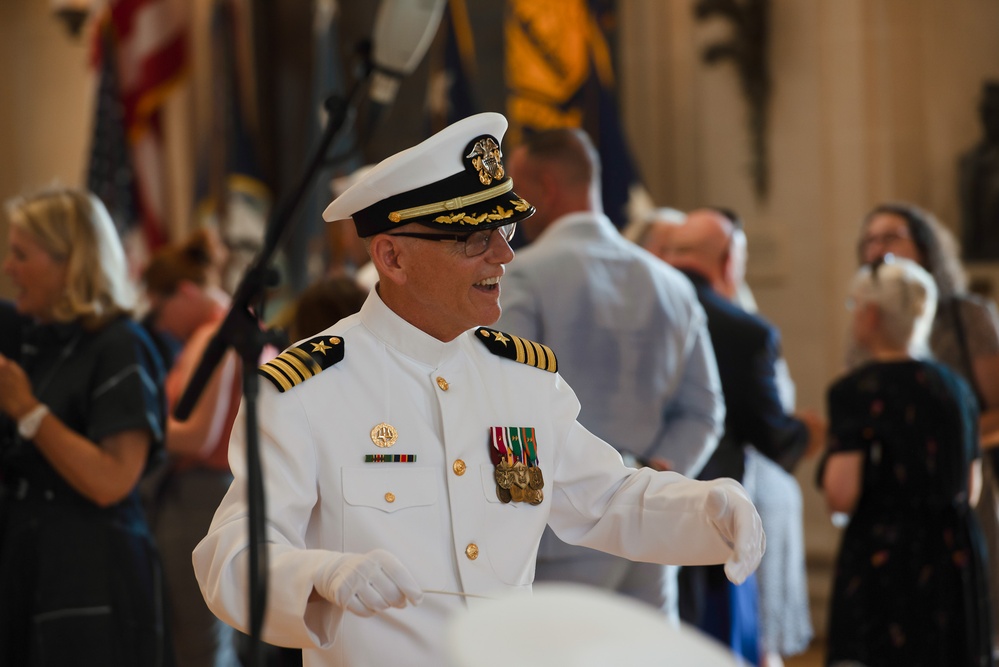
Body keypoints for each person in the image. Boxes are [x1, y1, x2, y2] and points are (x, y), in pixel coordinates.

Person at [192, 112, 765, 667]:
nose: (504, 254)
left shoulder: (522, 380)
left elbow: (606, 499)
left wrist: (709, 510)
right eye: (473, 238)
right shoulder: (307, 390)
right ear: (392, 256)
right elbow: (229, 557)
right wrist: (318, 576)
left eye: (505, 229)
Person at [495, 128, 725, 622]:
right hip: (648, 524)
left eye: (516, 188)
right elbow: (704, 408)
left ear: (547, 187)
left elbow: (507, 403)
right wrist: (658, 473)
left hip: (562, 529)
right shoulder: (671, 284)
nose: (509, 204)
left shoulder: (523, 275)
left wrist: (512, 517)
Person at [0, 187, 173, 666]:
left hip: (92, 571)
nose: (8, 268)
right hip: (29, 559)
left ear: (70, 263)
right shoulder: (35, 338)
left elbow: (111, 480)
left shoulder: (121, 345)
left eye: (21, 254)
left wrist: (28, 412)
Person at [662, 207, 823, 664]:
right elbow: (772, 435)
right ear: (730, 260)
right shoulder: (743, 331)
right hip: (712, 521)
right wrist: (805, 433)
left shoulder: (631, 307)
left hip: (630, 502)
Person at [820, 255, 992, 667]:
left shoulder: (856, 391)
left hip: (886, 556)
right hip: (953, 554)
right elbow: (970, 488)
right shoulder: (957, 389)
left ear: (871, 314)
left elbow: (842, 494)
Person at [855, 201, 999, 657]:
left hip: (962, 483)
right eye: (871, 239)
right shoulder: (864, 320)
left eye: (892, 237)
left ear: (925, 247)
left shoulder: (965, 315)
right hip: (890, 494)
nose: (880, 249)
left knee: (971, 619)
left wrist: (943, 446)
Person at [142, 229, 244, 667]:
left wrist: (128, 430)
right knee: (219, 636)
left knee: (199, 642)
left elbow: (198, 436)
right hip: (225, 488)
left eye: (161, 307)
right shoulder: (237, 326)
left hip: (203, 494)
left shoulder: (214, 335)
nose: (160, 323)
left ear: (185, 291)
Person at [959, 81, 999, 261]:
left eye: (994, 112)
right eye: (985, 112)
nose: (989, 119)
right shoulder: (970, 161)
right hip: (978, 253)